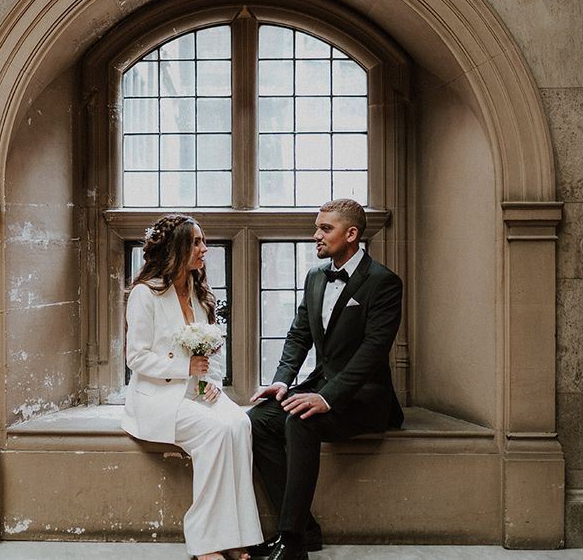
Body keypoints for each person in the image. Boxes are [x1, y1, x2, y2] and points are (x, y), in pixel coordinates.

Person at [247, 199, 404, 560]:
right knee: (257, 421)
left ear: (351, 234)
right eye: (317, 227)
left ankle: (291, 541)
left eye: (325, 229)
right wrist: (283, 380)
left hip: (365, 397)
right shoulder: (315, 276)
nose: (316, 235)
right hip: (321, 385)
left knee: (301, 423)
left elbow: (372, 352)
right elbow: (299, 334)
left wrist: (327, 398)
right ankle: (307, 529)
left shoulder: (383, 282)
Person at [122, 213, 263, 560]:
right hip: (157, 397)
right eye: (197, 242)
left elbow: (210, 352)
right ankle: (206, 543)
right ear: (176, 248)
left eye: (203, 241)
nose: (205, 249)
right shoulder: (145, 294)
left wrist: (210, 382)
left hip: (197, 391)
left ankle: (235, 535)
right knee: (215, 434)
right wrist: (185, 369)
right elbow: (136, 358)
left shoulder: (200, 295)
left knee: (240, 424)